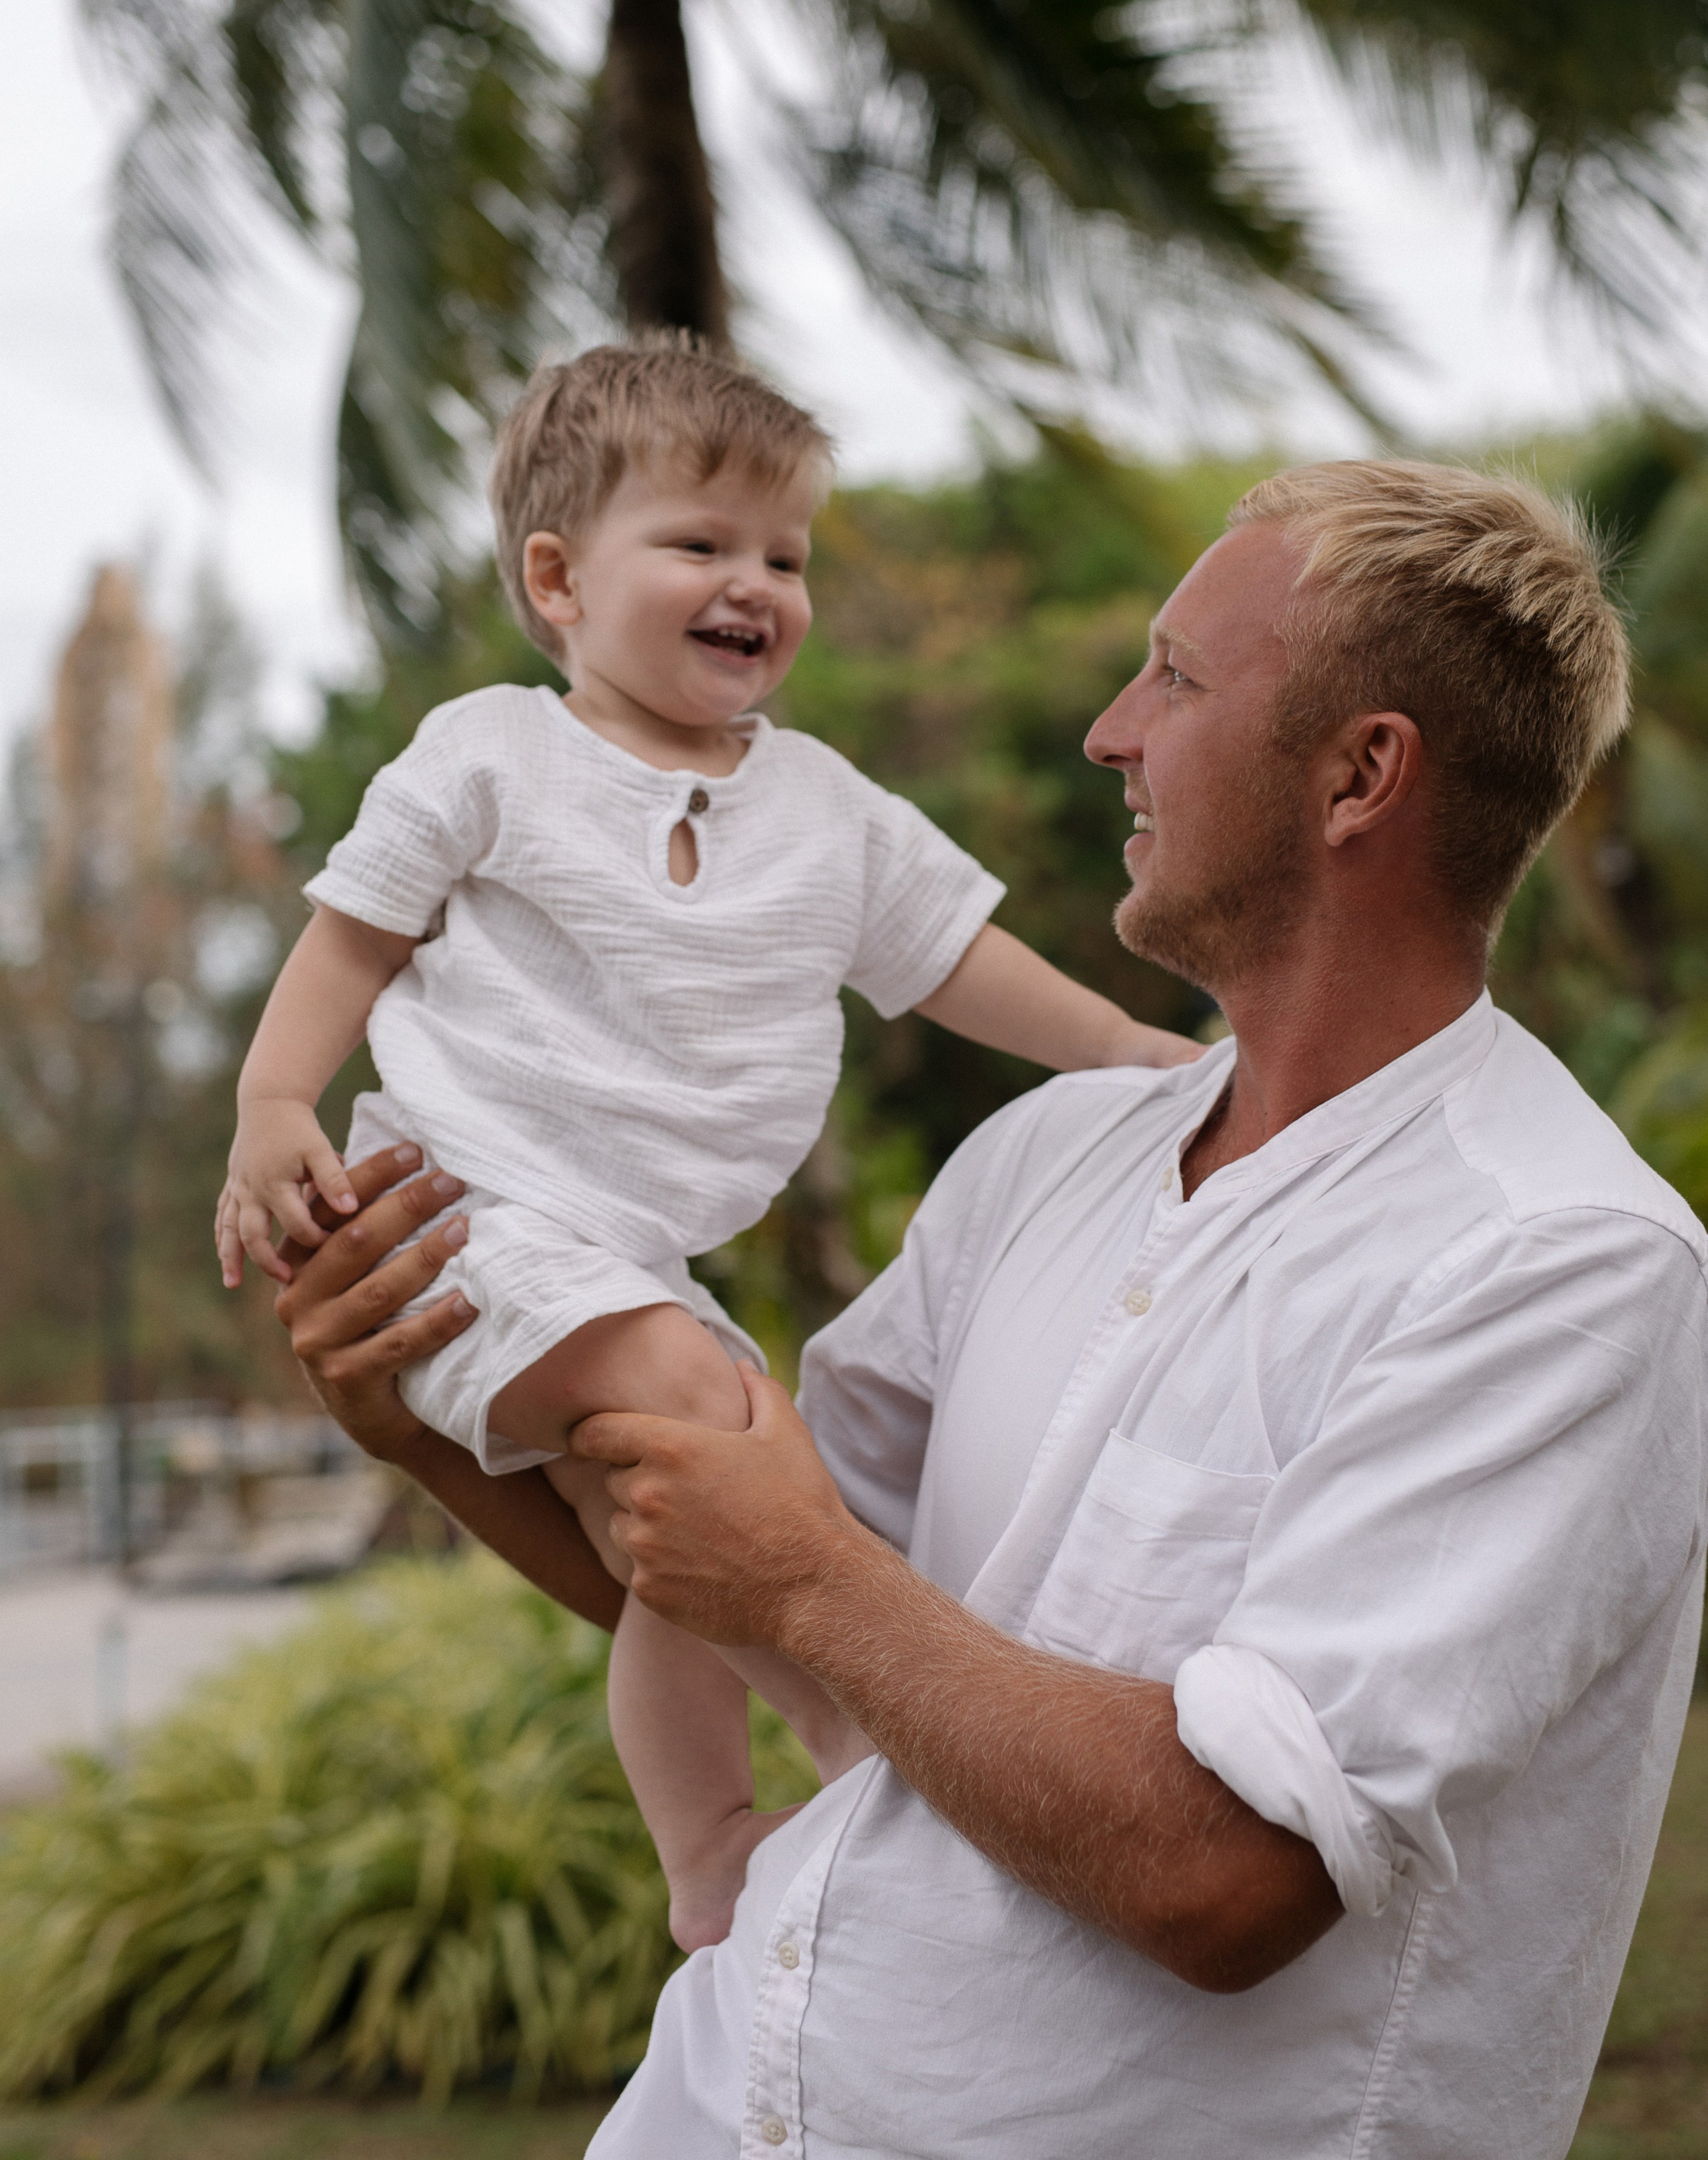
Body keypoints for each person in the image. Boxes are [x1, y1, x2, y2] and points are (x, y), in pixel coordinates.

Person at [274, 457, 1708, 2159]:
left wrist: (807, 1578)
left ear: (1358, 775)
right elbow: (709, 1566)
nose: (1111, 728)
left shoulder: (1554, 1261)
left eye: (1173, 678)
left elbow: (1226, 1877)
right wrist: (422, 1423)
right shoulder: (1047, 1155)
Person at [216, 340, 1197, 1951]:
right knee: (727, 1452)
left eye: (784, 556)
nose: (753, 583)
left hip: (630, 1266)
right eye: (699, 544)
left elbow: (954, 959)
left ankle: (707, 1853)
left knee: (698, 1521)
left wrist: (1134, 1053)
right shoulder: (489, 755)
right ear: (558, 578)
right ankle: (852, 1732)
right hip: (466, 1217)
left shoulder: (822, 806)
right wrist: (272, 1111)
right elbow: (349, 941)